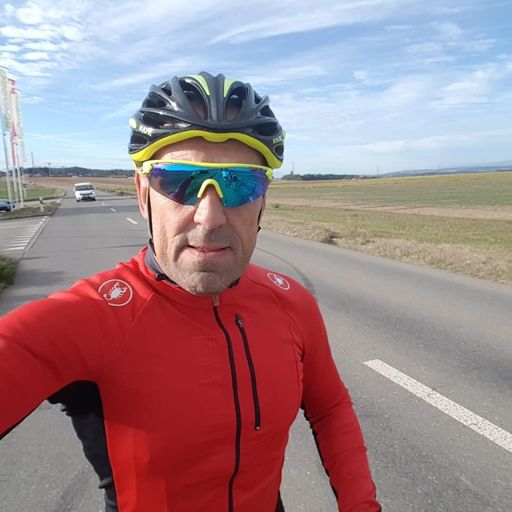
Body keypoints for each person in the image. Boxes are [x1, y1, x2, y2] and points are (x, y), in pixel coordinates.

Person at [0, 72, 381, 511]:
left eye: (239, 183)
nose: (209, 216)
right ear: (142, 193)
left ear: (263, 199)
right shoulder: (84, 320)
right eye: (179, 182)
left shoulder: (292, 303)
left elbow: (330, 407)